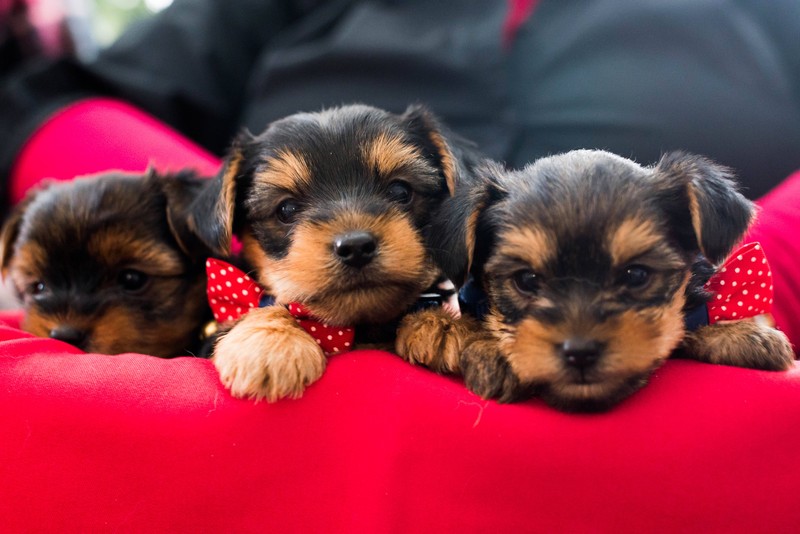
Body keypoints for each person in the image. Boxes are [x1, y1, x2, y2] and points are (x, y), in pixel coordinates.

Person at [1, 0, 799, 346]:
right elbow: (41, 104)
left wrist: (767, 266)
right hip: (266, 365)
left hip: (692, 351)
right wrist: (230, 222)